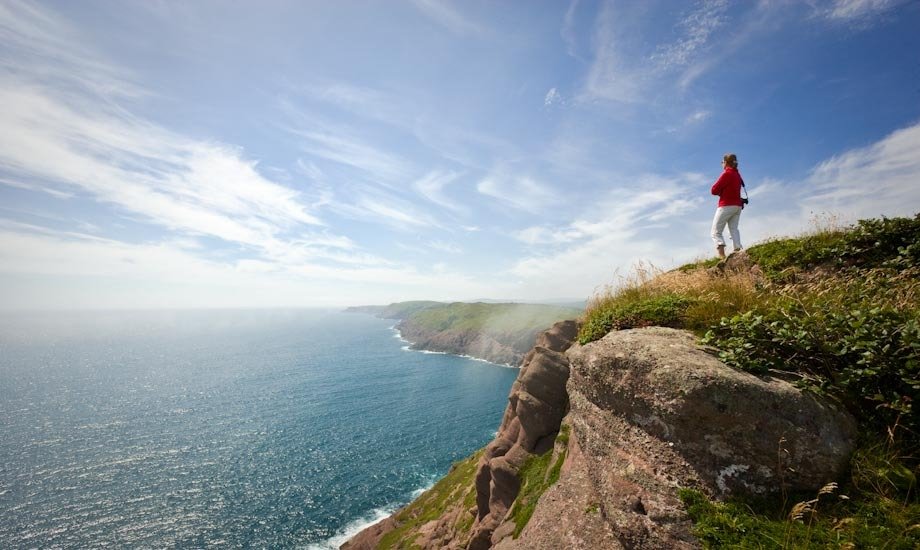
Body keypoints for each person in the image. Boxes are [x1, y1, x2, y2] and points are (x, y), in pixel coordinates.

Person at [710, 153, 744, 259]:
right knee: (733, 229)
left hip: (726, 205)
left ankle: (722, 256)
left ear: (725, 162)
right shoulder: (737, 175)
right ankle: (738, 250)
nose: (721, 164)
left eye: (722, 162)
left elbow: (713, 190)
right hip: (737, 206)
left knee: (715, 231)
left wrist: (721, 192)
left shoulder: (727, 173)